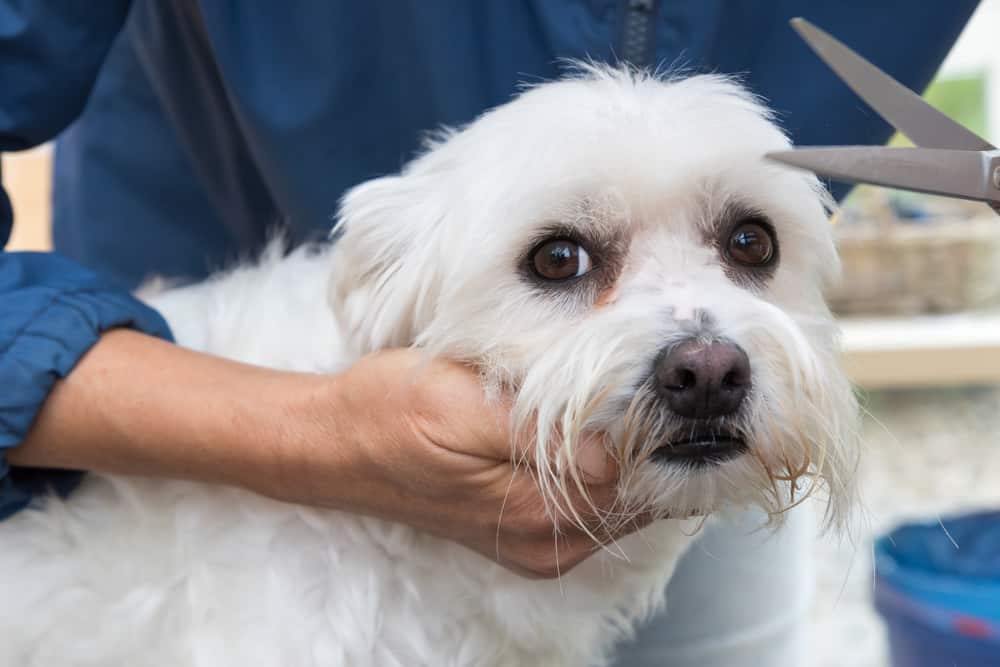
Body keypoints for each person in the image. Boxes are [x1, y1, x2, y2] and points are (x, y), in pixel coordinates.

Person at [0, 2, 978, 664]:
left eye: (746, 244)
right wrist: (308, 431)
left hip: (653, 510)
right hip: (193, 325)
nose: (707, 347)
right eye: (563, 261)